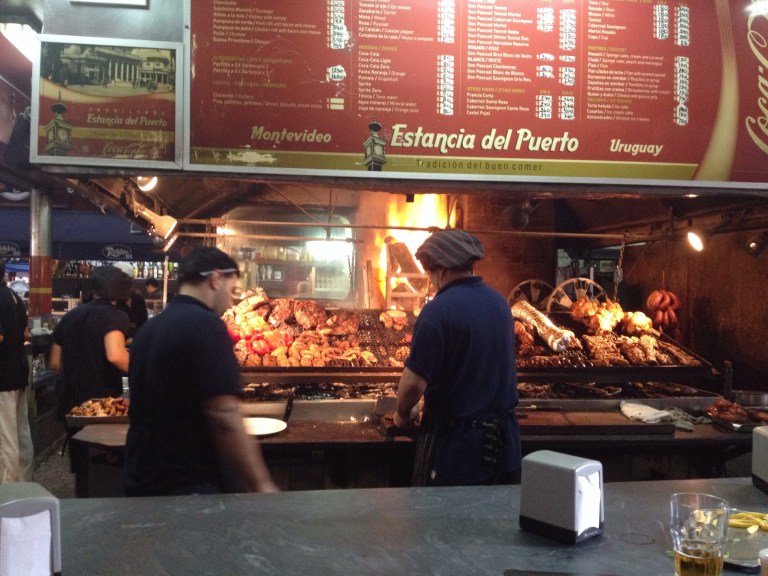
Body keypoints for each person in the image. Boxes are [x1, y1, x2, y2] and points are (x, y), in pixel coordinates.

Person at [123, 247, 278, 496]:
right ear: (216, 279)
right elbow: (224, 413)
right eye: (232, 290)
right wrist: (261, 483)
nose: (230, 301)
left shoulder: (150, 329)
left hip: (141, 474)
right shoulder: (206, 325)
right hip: (186, 483)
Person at [393, 230, 522, 486]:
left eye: (429, 274)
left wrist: (401, 414)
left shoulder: (437, 312)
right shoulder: (499, 303)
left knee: (442, 522)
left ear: (440, 271)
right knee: (495, 522)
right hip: (504, 444)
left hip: (457, 449)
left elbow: (413, 383)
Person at [49, 265, 132, 497]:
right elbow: (116, 355)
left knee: (82, 467)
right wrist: (146, 369)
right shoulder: (115, 315)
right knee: (104, 468)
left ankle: (81, 505)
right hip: (101, 407)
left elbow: (54, 361)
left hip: (72, 404)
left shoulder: (71, 316)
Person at [0, 261, 34, 483]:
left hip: (2, 375)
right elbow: (25, 333)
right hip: (18, 370)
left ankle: (8, 494)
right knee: (21, 434)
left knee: (6, 439)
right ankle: (26, 483)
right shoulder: (13, 296)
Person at [113, 262, 148, 339]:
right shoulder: (111, 301)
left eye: (128, 279)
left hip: (136, 344)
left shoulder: (138, 299)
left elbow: (144, 325)